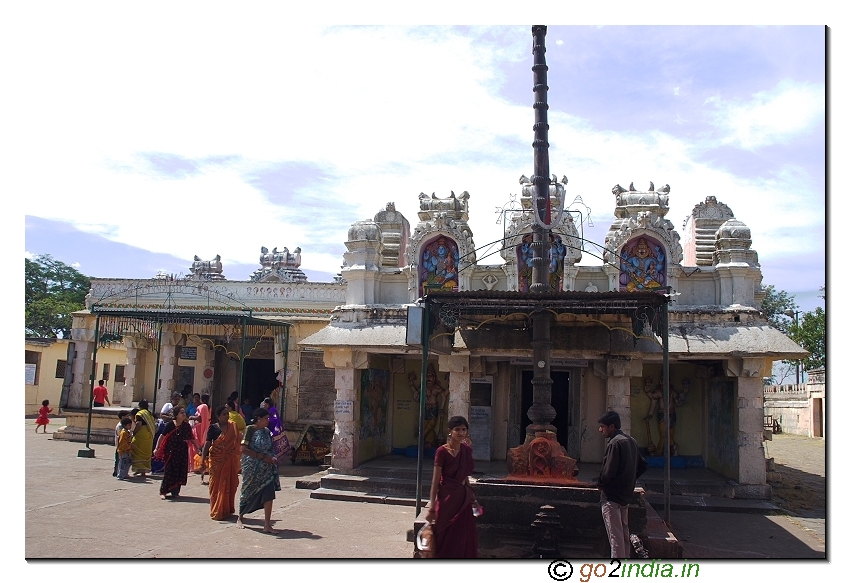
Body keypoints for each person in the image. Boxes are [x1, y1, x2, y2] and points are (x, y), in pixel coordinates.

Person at [425, 415, 479, 558]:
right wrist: (431, 507)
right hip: (447, 500)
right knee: (444, 535)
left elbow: (465, 476)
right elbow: (435, 482)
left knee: (464, 536)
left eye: (464, 429)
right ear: (450, 431)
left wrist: (472, 498)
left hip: (463, 499)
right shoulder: (442, 452)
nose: (461, 433)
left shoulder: (466, 450)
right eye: (457, 429)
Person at [596, 410, 647, 559]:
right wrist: (629, 478)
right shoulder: (631, 440)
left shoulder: (615, 443)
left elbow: (608, 472)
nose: (600, 430)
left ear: (611, 426)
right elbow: (642, 466)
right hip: (625, 496)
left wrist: (600, 483)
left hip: (611, 497)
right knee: (624, 536)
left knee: (616, 539)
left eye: (602, 427)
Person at [237, 408, 280, 533]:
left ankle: (267, 524)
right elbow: (243, 449)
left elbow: (271, 447)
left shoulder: (266, 432)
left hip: (266, 468)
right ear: (259, 419)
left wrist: (272, 457)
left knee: (268, 493)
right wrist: (261, 457)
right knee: (248, 490)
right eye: (266, 418)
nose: (268, 421)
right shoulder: (250, 429)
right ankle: (240, 517)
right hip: (252, 467)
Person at [154, 406, 203, 500]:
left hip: (182, 452)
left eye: (184, 412)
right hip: (171, 451)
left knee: (180, 471)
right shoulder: (170, 425)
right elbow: (162, 436)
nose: (184, 414)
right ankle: (163, 491)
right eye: (181, 412)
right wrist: (157, 448)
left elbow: (192, 438)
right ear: (176, 415)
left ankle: (175, 492)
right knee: (169, 471)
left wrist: (198, 448)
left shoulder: (186, 426)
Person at [202, 406, 241, 521]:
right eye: (224, 414)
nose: (227, 416)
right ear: (218, 417)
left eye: (227, 414)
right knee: (215, 486)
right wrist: (203, 460)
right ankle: (217, 509)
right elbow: (207, 444)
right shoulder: (213, 428)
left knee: (230, 484)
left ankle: (226, 509)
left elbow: (238, 441)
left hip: (229, 459)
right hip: (216, 461)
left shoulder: (233, 426)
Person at [130, 401, 157, 477]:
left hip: (141, 434)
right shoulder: (150, 414)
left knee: (137, 451)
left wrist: (134, 432)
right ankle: (143, 471)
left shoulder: (140, 414)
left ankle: (138, 469)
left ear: (140, 406)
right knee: (146, 452)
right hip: (149, 435)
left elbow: (139, 424)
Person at [189, 393, 211, 473]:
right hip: (206, 428)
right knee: (204, 446)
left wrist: (191, 417)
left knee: (196, 446)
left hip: (199, 429)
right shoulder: (209, 407)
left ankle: (196, 465)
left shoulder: (201, 407)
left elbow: (199, 418)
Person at [112, 410, 130, 476]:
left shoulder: (123, 426)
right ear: (123, 417)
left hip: (123, 446)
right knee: (119, 460)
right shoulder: (120, 426)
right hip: (120, 446)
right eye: (127, 416)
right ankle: (117, 472)